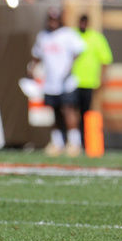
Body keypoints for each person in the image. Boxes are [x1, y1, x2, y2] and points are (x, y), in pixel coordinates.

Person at [29, 8, 85, 157]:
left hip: (66, 82)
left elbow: (79, 50)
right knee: (54, 113)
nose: (52, 23)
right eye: (50, 19)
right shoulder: (43, 36)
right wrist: (32, 67)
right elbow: (37, 54)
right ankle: (57, 142)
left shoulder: (67, 34)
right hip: (51, 81)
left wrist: (69, 67)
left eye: (55, 19)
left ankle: (74, 143)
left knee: (68, 110)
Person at [71, 14, 113, 153]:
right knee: (71, 113)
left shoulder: (96, 38)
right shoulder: (72, 36)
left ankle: (86, 143)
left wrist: (102, 78)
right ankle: (73, 142)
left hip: (89, 82)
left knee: (86, 113)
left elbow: (105, 59)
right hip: (71, 82)